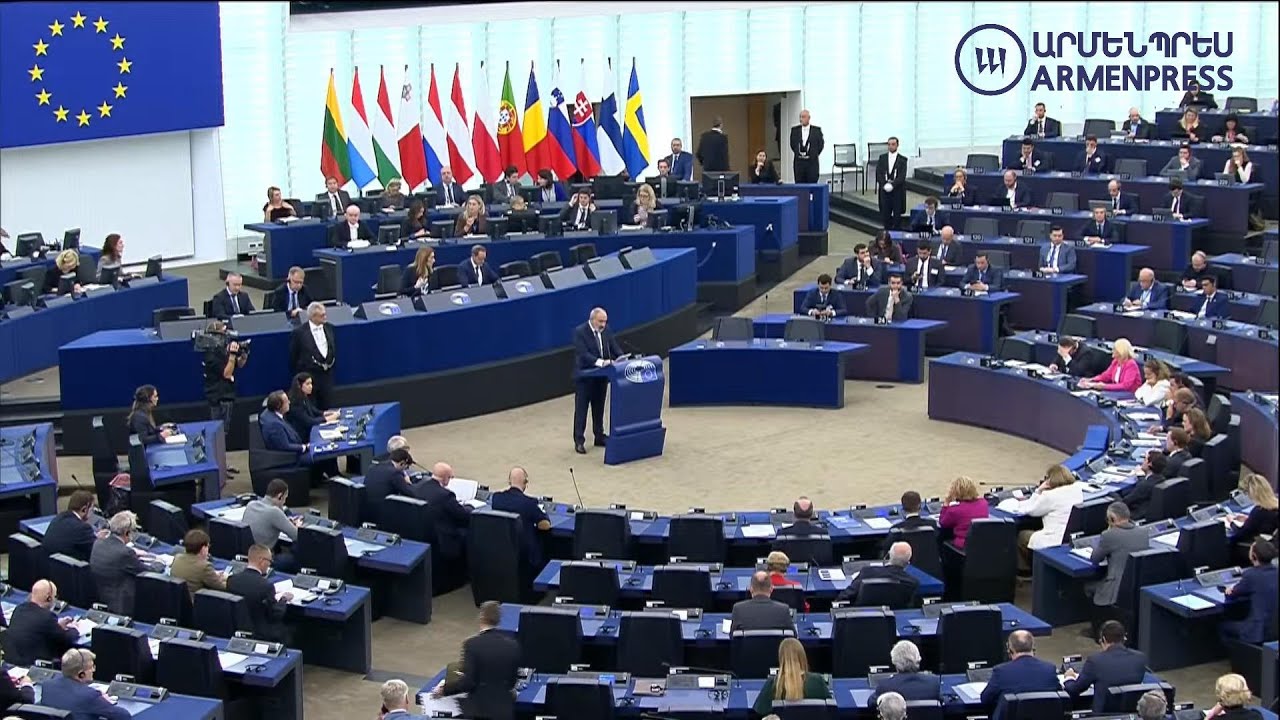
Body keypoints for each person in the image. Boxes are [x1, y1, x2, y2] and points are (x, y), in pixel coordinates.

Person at [438, 602, 520, 720]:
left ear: (481, 617)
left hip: (480, 711)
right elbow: (512, 682)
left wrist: (445, 689)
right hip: (504, 711)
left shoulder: (472, 645)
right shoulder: (513, 645)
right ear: (498, 620)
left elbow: (468, 683)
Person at [1083, 503, 1150, 638]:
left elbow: (1095, 558)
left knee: (1088, 587)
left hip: (1115, 587)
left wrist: (1108, 531)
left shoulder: (1109, 535)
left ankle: (1097, 630)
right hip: (1136, 583)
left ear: (1112, 519)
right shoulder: (1143, 532)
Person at [1063, 620, 1149, 711]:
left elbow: (1074, 689)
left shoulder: (1095, 661)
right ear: (1124, 638)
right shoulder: (1140, 658)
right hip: (1130, 713)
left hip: (1103, 716)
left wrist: (1069, 677)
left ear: (1103, 639)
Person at [1013, 465, 1084, 574]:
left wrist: (1038, 491)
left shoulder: (1049, 495)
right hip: (1070, 538)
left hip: (1054, 540)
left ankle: (1025, 575)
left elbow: (1030, 510)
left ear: (1050, 480)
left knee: (1022, 536)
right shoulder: (1077, 490)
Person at [571, 307, 624, 454]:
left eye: (605, 321)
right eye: (600, 321)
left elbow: (614, 347)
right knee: (581, 410)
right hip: (585, 378)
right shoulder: (580, 332)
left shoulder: (606, 330)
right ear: (592, 319)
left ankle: (599, 436)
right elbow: (583, 354)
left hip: (601, 378)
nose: (603, 325)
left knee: (599, 408)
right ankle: (579, 441)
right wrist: (601, 362)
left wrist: (622, 358)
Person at [979, 631, 1060, 720]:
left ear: (1009, 650)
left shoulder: (1001, 671)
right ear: (1033, 648)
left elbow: (985, 700)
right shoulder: (1049, 669)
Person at [2, 579, 80, 666]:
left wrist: (57, 625)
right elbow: (66, 640)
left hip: (13, 660)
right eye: (55, 596)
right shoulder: (47, 617)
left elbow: (38, 627)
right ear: (48, 598)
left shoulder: (19, 609)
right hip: (33, 663)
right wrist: (75, 629)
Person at [226, 544, 292, 644]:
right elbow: (275, 614)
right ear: (262, 561)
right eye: (269, 561)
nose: (269, 565)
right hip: (262, 635)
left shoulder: (232, 580)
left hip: (237, 631)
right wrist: (284, 599)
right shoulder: (266, 586)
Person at [38, 649, 131, 720]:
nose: (94, 670)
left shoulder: (48, 686)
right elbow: (124, 716)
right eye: (91, 667)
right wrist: (106, 702)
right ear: (81, 674)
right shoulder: (89, 696)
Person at [489, 466, 551, 570]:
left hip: (501, 553)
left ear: (509, 481)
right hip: (525, 559)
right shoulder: (529, 503)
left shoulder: (497, 499)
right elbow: (545, 525)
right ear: (525, 482)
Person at [1219, 540, 1278, 646]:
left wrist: (1229, 590)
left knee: (1222, 626)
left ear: (1254, 556)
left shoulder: (1251, 575)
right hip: (1275, 629)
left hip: (1258, 632)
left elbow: (1232, 594)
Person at [753, 637, 831, 715]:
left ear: (781, 658)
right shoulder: (818, 681)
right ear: (802, 656)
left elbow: (756, 714)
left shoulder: (773, 683)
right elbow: (831, 712)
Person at [412, 462, 472, 559]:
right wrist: (469, 508)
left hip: (423, 536)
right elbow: (463, 516)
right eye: (450, 477)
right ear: (445, 478)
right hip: (444, 540)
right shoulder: (446, 495)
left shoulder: (419, 487)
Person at [89, 511, 144, 615]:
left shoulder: (98, 543)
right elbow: (146, 571)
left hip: (100, 597)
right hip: (120, 604)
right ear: (127, 533)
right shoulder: (125, 553)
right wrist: (159, 562)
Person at [243, 479, 302, 573]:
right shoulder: (274, 512)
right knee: (296, 559)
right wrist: (298, 526)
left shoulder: (251, 504)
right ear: (280, 496)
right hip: (264, 561)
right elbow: (296, 536)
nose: (284, 502)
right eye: (285, 498)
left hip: (249, 555)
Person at [837, 541, 918, 604]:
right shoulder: (912, 583)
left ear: (888, 555)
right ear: (908, 563)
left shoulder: (867, 572)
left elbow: (845, 596)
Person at [290, 302, 337, 409]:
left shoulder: (329, 328)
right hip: (309, 377)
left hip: (326, 377)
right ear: (313, 317)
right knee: (311, 408)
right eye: (322, 315)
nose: (325, 317)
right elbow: (294, 357)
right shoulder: (299, 333)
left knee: (327, 406)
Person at [201, 319, 247, 427]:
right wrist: (232, 354)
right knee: (219, 430)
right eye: (224, 332)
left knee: (226, 428)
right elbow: (227, 374)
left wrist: (243, 355)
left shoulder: (223, 350)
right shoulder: (211, 354)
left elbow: (238, 364)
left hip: (228, 395)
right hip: (218, 399)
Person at [867, 641, 940, 707]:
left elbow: (871, 703)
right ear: (918, 659)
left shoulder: (885, 686)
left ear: (894, 662)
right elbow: (943, 702)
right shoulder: (933, 683)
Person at [362, 448, 420, 525]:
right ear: (402, 463)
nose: (404, 471)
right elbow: (410, 492)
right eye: (405, 468)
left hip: (366, 508)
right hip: (382, 512)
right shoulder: (394, 473)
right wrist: (408, 482)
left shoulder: (373, 467)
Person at [42, 490, 102, 562]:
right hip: (69, 566)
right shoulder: (82, 528)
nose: (92, 514)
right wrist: (101, 539)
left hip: (48, 564)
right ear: (84, 510)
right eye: (92, 510)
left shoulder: (58, 518)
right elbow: (97, 550)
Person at [729, 571, 794, 633]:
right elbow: (793, 635)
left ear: (751, 589)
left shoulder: (738, 609)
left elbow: (732, 636)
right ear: (771, 589)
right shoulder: (783, 609)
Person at [170, 528, 227, 598]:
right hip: (192, 602)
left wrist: (214, 576)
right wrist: (227, 580)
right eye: (208, 546)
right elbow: (221, 587)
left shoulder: (177, 558)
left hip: (176, 599)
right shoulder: (204, 566)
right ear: (203, 549)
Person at [1228, 474, 1279, 547]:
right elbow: (1264, 522)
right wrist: (1248, 519)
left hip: (1258, 547)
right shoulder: (1275, 504)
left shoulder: (1259, 511)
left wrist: (1231, 523)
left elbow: (1240, 534)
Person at [940, 475, 989, 549]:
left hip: (964, 546)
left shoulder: (954, 510)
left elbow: (943, 523)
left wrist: (946, 504)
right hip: (981, 543)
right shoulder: (984, 503)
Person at [286, 371, 338, 438]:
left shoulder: (304, 397)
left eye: (311, 383)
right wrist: (328, 418)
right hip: (303, 436)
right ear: (299, 386)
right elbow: (309, 422)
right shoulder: (295, 403)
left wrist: (326, 413)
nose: (311, 386)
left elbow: (314, 410)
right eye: (307, 384)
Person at [260, 390, 310, 459]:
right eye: (286, 401)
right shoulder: (274, 425)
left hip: (296, 447)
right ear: (278, 406)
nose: (289, 402)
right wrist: (305, 447)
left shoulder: (272, 414)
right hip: (292, 457)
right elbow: (285, 446)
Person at [1120, 451, 1167, 521]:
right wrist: (1140, 477)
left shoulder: (1145, 485)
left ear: (1150, 464)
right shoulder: (1161, 478)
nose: (1142, 462)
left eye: (1145, 459)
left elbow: (1125, 502)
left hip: (1135, 516)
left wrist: (1112, 494)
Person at [876, 136, 908, 228]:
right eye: (889, 144)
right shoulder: (882, 158)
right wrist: (884, 184)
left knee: (897, 216)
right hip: (885, 192)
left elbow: (902, 176)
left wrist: (892, 185)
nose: (891, 146)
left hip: (897, 192)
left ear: (897, 145)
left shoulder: (903, 160)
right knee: (885, 215)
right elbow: (879, 173)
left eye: (893, 144)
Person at [790, 110, 824, 183]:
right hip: (799, 164)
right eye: (800, 117)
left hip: (812, 163)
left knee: (812, 184)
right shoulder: (794, 130)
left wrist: (813, 154)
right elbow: (792, 145)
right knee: (799, 185)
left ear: (809, 118)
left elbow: (820, 145)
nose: (801, 119)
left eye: (803, 117)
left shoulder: (817, 130)